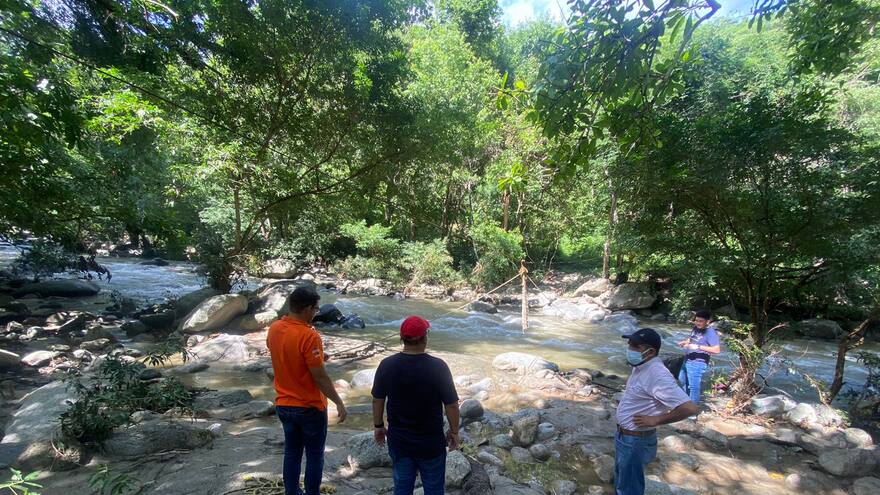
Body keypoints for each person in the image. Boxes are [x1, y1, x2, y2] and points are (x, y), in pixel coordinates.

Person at [266, 287, 348, 495]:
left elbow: (286, 352)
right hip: (309, 407)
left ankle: (291, 492)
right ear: (307, 309)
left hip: (284, 404)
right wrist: (338, 401)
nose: (316, 313)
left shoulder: (275, 328)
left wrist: (318, 356)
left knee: (292, 452)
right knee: (314, 455)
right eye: (315, 309)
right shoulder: (308, 335)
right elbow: (319, 376)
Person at [371, 316, 460, 495]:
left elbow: (377, 399)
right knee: (434, 488)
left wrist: (378, 426)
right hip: (430, 442)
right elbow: (451, 405)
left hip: (399, 441)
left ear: (401, 338)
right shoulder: (438, 367)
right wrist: (454, 432)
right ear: (425, 337)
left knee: (402, 487)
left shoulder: (387, 365)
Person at [616, 328, 698, 495]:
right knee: (623, 480)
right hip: (626, 437)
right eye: (629, 344)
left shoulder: (658, 374)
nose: (629, 349)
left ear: (650, 351)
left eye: (635, 346)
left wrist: (656, 420)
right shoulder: (641, 365)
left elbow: (690, 408)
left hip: (635, 440)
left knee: (630, 488)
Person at [676, 310, 721, 404]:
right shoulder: (695, 328)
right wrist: (685, 342)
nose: (698, 323)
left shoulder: (711, 332)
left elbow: (716, 350)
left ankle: (693, 411)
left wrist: (698, 347)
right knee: (681, 381)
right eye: (696, 320)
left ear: (707, 322)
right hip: (688, 359)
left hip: (698, 363)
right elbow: (692, 339)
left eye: (701, 321)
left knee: (693, 387)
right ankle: (686, 404)